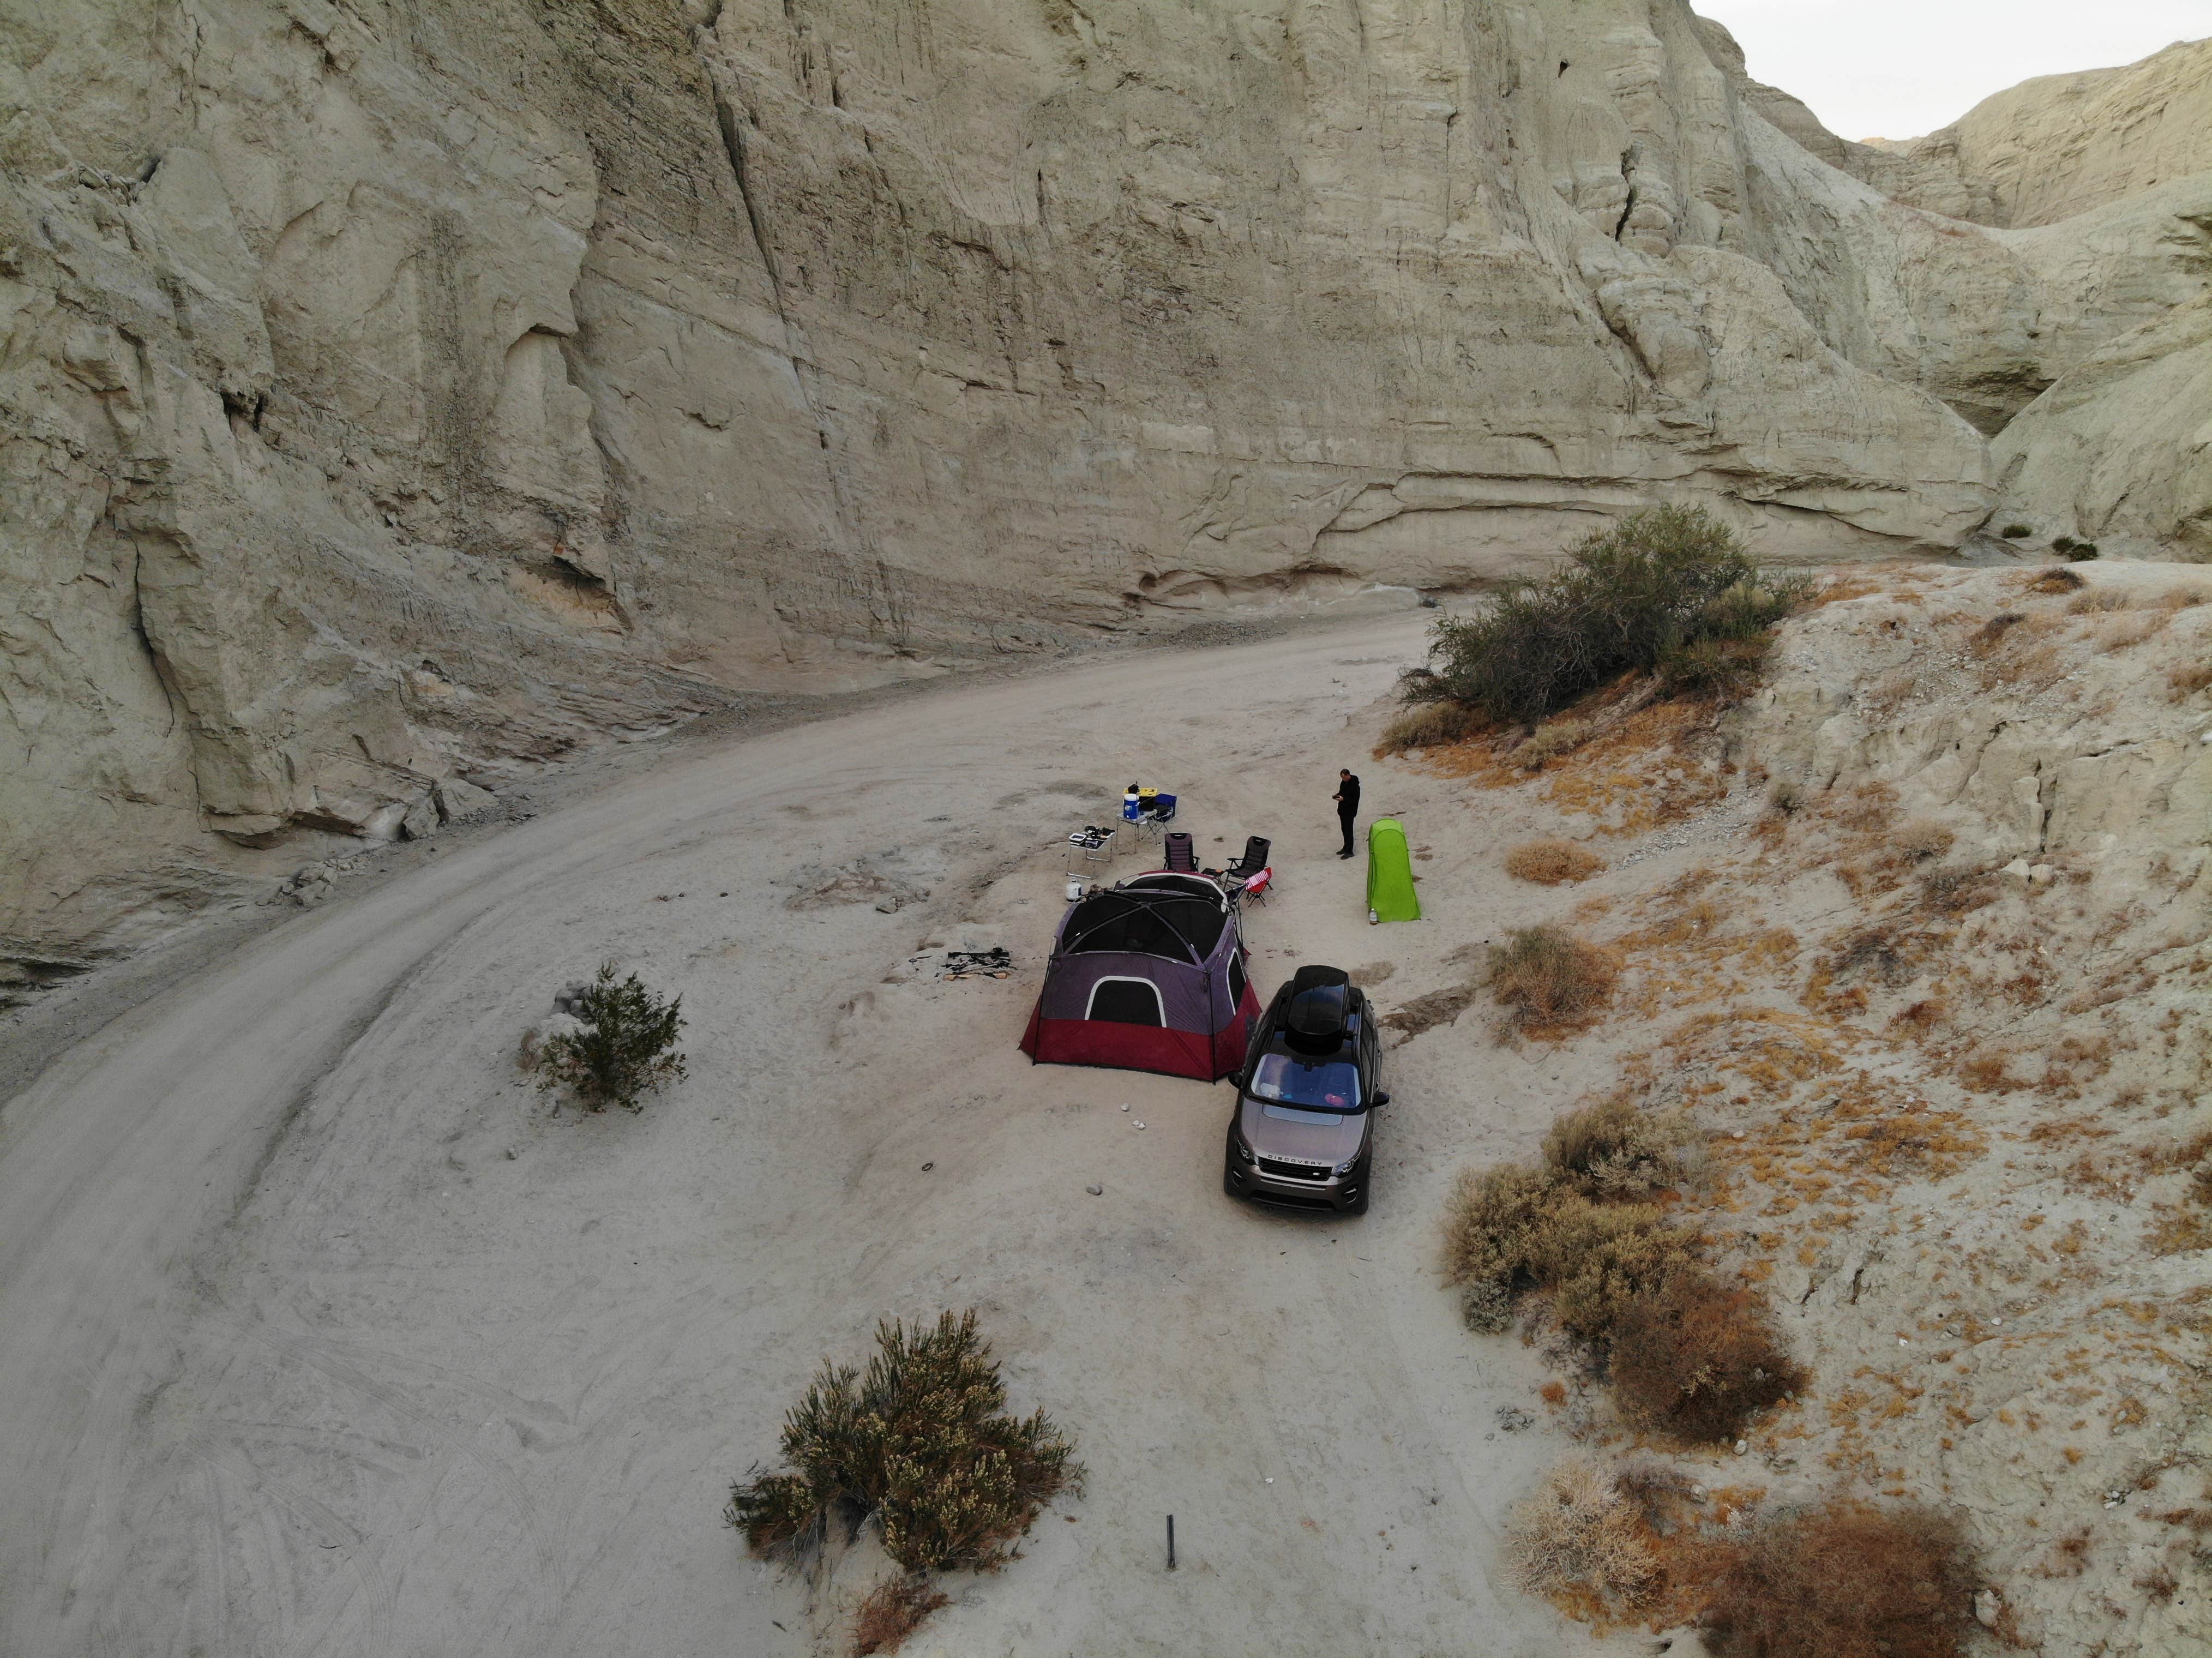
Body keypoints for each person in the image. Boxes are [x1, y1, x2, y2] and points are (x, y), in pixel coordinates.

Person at [1333, 767, 1361, 858]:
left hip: (1350, 811)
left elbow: (1355, 800)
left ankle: (1350, 851)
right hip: (1342, 810)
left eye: (1344, 778)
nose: (1343, 780)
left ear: (1349, 775)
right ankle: (1345, 847)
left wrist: (1344, 799)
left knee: (1349, 831)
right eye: (1342, 778)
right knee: (1344, 830)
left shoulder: (1355, 786)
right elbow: (1342, 792)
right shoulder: (1343, 783)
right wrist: (1337, 796)